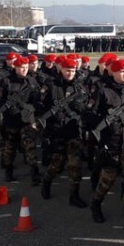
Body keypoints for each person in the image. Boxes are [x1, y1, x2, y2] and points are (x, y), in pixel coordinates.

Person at [88, 59, 124, 233]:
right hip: (111, 143)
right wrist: (103, 125)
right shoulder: (102, 91)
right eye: (121, 71)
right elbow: (89, 115)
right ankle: (96, 203)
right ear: (112, 72)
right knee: (107, 179)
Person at [39, 57, 89, 207]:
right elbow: (39, 104)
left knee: (75, 165)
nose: (70, 73)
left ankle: (74, 195)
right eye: (67, 70)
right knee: (56, 164)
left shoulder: (79, 86)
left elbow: (87, 105)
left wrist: (81, 105)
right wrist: (50, 115)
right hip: (57, 132)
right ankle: (46, 181)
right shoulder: (51, 85)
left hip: (73, 131)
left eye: (73, 70)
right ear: (61, 69)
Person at [0, 56, 42, 184]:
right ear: (15, 67)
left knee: (30, 146)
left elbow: (38, 100)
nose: (24, 70)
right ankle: (8, 170)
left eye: (26, 67)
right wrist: (8, 108)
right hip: (11, 120)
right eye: (22, 67)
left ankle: (34, 171)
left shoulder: (32, 81)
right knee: (10, 147)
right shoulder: (6, 81)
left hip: (27, 120)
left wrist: (30, 108)